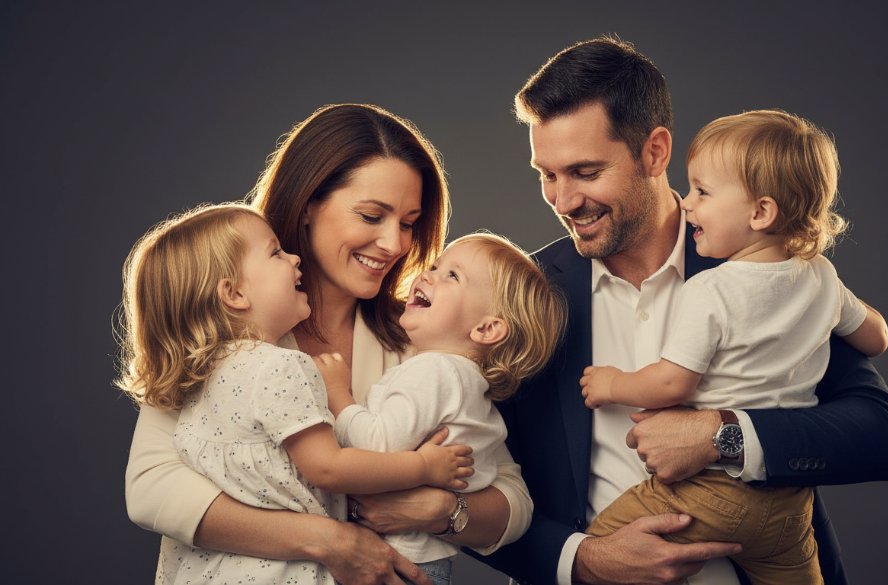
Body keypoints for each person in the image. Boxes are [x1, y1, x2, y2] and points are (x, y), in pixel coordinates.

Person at [474, 37, 888, 585]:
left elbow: (883, 438)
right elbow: (469, 485)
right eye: (547, 175)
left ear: (656, 152)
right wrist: (583, 560)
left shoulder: (772, 266)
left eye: (585, 173)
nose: (563, 201)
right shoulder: (523, 294)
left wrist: (723, 436)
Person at [124, 104, 533, 585]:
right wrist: (330, 541)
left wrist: (440, 510)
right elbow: (151, 488)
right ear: (307, 205)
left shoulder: (422, 341)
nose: (394, 243)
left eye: (408, 222)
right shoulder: (220, 333)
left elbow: (512, 497)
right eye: (372, 215)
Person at [580, 110, 888, 585]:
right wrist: (825, 305)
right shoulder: (823, 277)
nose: (687, 204)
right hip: (788, 507)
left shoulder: (712, 290)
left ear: (760, 213)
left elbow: (670, 382)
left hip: (711, 494)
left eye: (703, 192)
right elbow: (877, 337)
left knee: (602, 548)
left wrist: (612, 383)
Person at [117, 203, 474, 584]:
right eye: (275, 253)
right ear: (234, 293)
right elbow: (329, 468)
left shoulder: (196, 374)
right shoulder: (284, 367)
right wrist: (424, 467)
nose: (293, 258)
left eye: (407, 223)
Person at [320, 232, 566, 584]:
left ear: (486, 328)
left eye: (452, 275)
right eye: (436, 266)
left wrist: (336, 393)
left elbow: (376, 445)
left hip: (393, 563)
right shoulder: (469, 387)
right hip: (426, 564)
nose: (427, 275)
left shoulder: (435, 371)